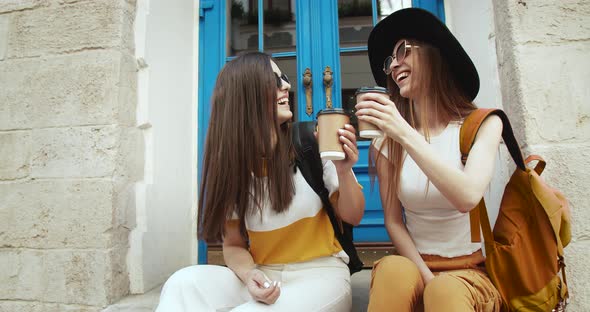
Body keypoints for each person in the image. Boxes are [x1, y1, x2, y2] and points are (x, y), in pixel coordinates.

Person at [156, 52, 365, 311]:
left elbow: (353, 216)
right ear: (246, 95)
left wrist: (344, 172)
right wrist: (249, 274)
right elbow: (233, 245)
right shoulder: (233, 167)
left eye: (284, 79)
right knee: (182, 284)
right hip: (266, 274)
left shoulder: (311, 141)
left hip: (321, 275)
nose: (287, 86)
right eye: (274, 80)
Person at [354, 8, 504, 312]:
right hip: (416, 264)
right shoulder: (386, 143)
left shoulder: (481, 125)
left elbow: (467, 197)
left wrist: (405, 134)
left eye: (402, 51)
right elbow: (394, 222)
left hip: (472, 270)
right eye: (390, 61)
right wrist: (426, 278)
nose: (394, 65)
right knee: (391, 271)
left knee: (446, 292)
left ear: (434, 54)